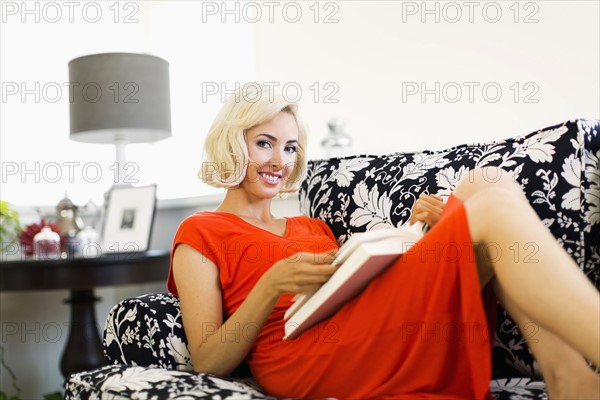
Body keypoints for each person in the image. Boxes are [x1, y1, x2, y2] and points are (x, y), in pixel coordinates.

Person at [168, 83, 600, 399]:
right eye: (265, 143)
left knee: (488, 184)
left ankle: (569, 378)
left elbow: (355, 287)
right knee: (486, 210)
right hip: (299, 356)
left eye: (290, 147)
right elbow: (207, 361)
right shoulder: (201, 231)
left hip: (364, 325)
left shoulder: (310, 227)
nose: (279, 161)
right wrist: (270, 285)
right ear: (233, 143)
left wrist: (422, 235)